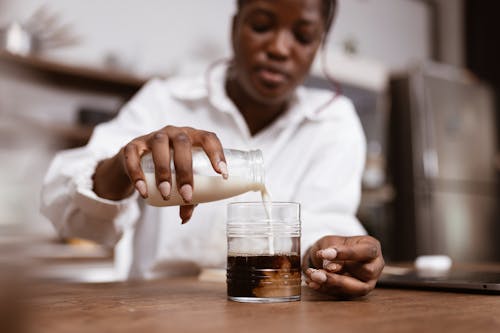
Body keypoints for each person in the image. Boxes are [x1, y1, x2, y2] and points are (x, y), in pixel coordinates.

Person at [41, 0, 384, 298]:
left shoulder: (332, 122)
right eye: (262, 26)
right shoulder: (165, 100)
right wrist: (121, 167)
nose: (280, 48)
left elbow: (319, 225)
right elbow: (67, 213)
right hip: (154, 314)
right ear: (235, 26)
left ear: (319, 45)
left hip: (270, 314)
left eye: (303, 36)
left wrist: (332, 257)